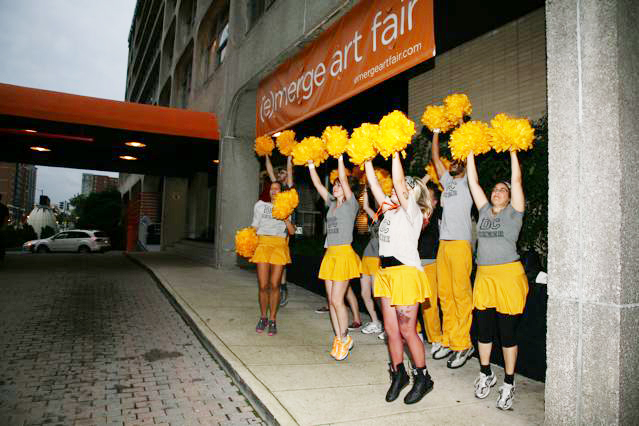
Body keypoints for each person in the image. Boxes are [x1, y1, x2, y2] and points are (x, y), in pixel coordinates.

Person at [364, 153, 434, 404]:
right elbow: (374, 184)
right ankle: (398, 374)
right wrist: (366, 158)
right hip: (386, 274)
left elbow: (398, 181)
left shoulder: (412, 211)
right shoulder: (389, 210)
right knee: (391, 330)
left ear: (413, 194)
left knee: (407, 329)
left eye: (406, 186)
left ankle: (423, 377)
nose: (397, 188)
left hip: (405, 273)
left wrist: (394, 151)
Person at [466, 150, 528, 410]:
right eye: (495, 189)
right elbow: (473, 182)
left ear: (510, 197)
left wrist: (512, 149)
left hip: (508, 276)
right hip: (484, 275)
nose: (497, 192)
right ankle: (485, 373)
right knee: (483, 329)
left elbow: (517, 180)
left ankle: (509, 383)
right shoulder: (483, 210)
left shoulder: (514, 213)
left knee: (507, 333)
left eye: (503, 190)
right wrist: (469, 151)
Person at [308, 155, 361, 361]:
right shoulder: (331, 203)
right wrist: (311, 164)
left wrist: (339, 158)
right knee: (331, 301)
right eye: (335, 185)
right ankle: (339, 338)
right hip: (330, 254)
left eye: (339, 185)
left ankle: (344, 337)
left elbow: (344, 179)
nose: (336, 187)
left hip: (344, 254)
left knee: (338, 300)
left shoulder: (351, 204)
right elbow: (317, 184)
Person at [431, 130, 475, 368]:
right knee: (445, 295)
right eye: (453, 160)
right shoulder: (448, 182)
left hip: (460, 244)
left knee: (461, 295)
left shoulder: (469, 182)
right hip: (444, 244)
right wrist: (436, 132)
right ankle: (449, 339)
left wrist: (462, 129)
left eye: (459, 160)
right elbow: (436, 158)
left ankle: (464, 343)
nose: (454, 163)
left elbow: (468, 154)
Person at [250, 180, 296, 336]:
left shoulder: (287, 207)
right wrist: (247, 240)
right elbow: (255, 226)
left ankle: (273, 319)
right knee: (263, 285)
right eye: (271, 188)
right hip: (263, 244)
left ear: (281, 192)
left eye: (277, 189)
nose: (274, 191)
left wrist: (285, 217)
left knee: (275, 284)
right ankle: (263, 317)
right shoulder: (260, 205)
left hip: (279, 246)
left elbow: (292, 232)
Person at [417, 182, 444, 355]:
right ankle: (416, 333)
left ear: (435, 202)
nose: (424, 198)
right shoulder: (414, 214)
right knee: (412, 302)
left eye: (428, 196)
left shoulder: (438, 215)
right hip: (413, 263)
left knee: (430, 304)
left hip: (430, 263)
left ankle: (436, 338)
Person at [265, 154, 294, 307]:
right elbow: (270, 170)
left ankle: (282, 288)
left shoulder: (289, 189)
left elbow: (289, 170)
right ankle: (277, 286)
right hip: (273, 226)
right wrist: (266, 153)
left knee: (281, 260)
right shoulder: (276, 188)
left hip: (285, 227)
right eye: (280, 173)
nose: (280, 175)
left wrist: (289, 157)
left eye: (283, 173)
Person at [359, 186, 383, 335]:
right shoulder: (376, 215)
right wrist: (366, 188)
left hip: (378, 259)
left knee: (378, 295)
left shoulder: (391, 215)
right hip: (367, 256)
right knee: (365, 293)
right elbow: (366, 206)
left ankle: (388, 325)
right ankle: (376, 322)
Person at [0, 194, 9, 261]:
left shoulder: (4, 208)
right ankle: (1, 255)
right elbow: (6, 219)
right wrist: (4, 227)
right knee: (1, 243)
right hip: (1, 228)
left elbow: (6, 218)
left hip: (1, 228)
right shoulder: (4, 207)